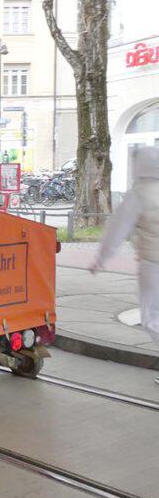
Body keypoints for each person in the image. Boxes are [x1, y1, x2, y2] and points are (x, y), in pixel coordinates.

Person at [91, 146, 159, 384]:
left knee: (151, 316)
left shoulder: (138, 194)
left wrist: (101, 259)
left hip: (153, 263)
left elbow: (117, 230)